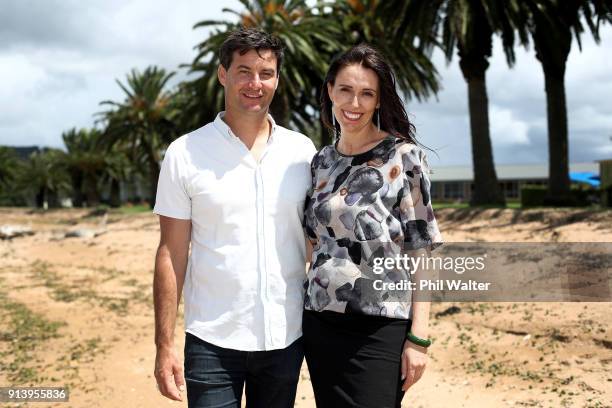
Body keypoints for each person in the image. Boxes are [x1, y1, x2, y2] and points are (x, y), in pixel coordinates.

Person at [152, 28, 316, 408]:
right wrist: (164, 345)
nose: (255, 83)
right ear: (223, 74)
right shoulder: (184, 153)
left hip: (285, 338)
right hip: (211, 340)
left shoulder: (302, 151)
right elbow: (171, 254)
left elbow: (315, 243)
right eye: (243, 71)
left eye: (266, 73)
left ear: (277, 78)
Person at [302, 44, 443, 408]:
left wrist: (419, 339)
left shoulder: (404, 157)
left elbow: (421, 251)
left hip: (380, 328)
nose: (355, 103)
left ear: (379, 101)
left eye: (367, 93)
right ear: (330, 90)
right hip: (320, 324)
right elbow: (313, 241)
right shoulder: (322, 161)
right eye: (346, 90)